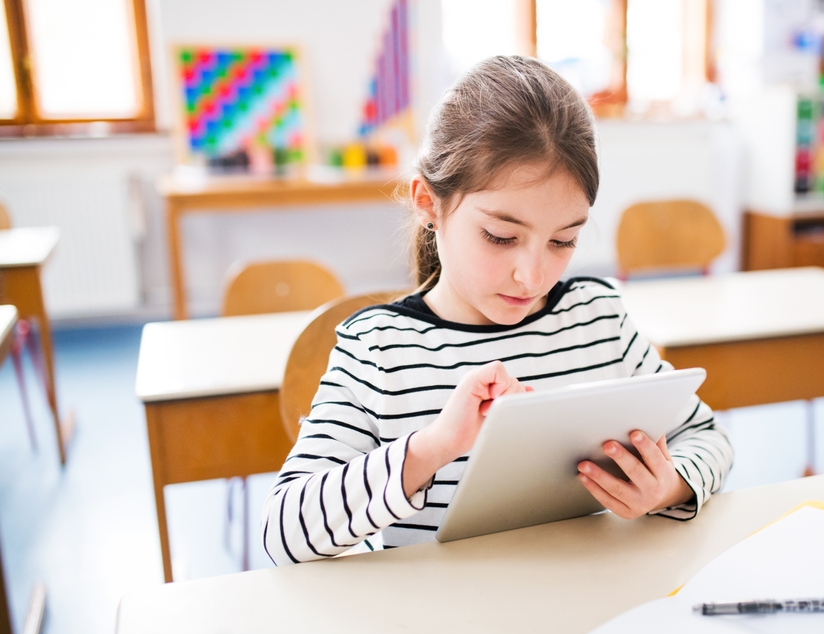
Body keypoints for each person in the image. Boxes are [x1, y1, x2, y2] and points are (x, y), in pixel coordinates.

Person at [262, 55, 733, 565]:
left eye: (563, 240)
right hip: (438, 630)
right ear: (428, 203)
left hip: (584, 613)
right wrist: (431, 448)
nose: (532, 276)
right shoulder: (378, 350)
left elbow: (707, 436)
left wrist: (670, 486)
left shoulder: (597, 318)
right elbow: (283, 533)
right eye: (500, 236)